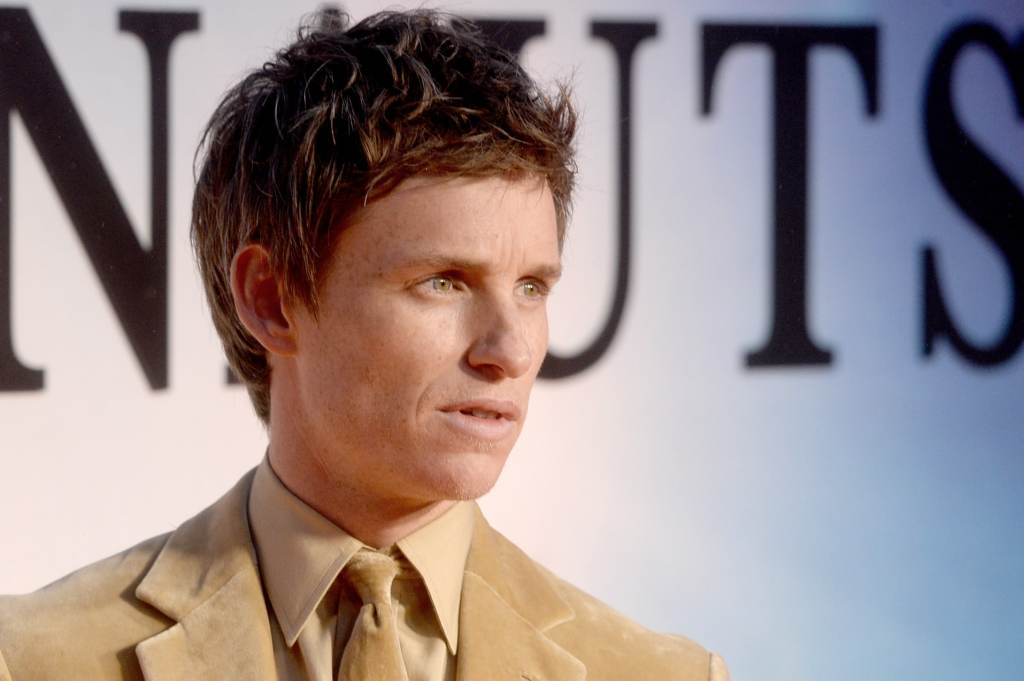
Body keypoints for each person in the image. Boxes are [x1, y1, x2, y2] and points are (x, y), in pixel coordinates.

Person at [0, 9, 728, 681]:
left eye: (533, 287)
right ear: (271, 299)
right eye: (445, 280)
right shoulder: (31, 658)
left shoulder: (661, 672)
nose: (509, 349)